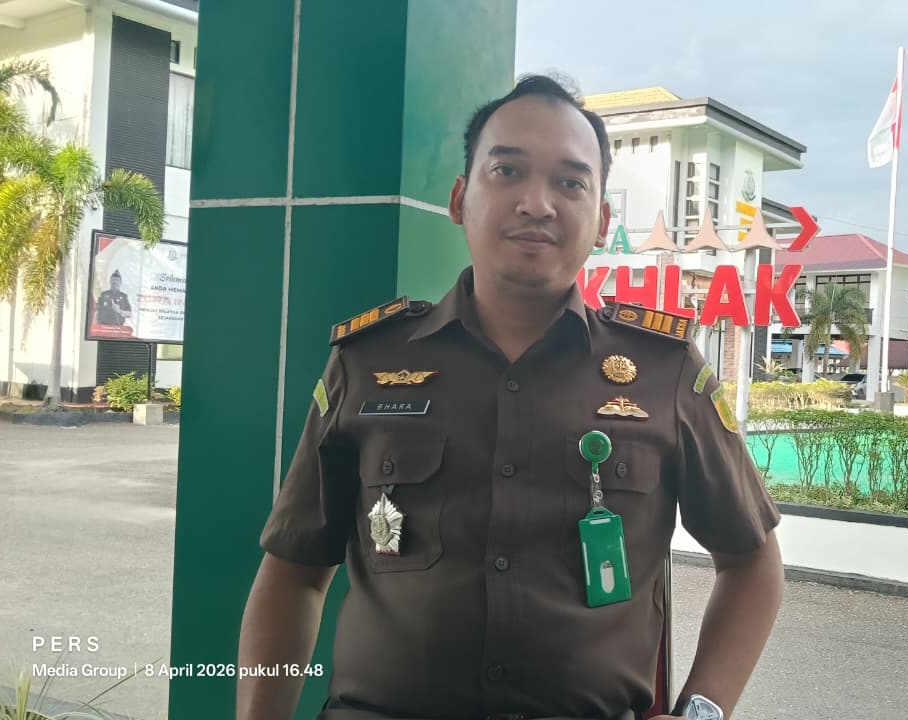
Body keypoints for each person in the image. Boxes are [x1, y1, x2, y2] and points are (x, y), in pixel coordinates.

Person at [237, 74, 784, 720]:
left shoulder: (664, 372)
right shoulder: (368, 364)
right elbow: (295, 574)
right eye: (507, 171)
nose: (537, 203)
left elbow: (751, 564)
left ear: (603, 221)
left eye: (571, 183)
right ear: (460, 199)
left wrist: (701, 711)